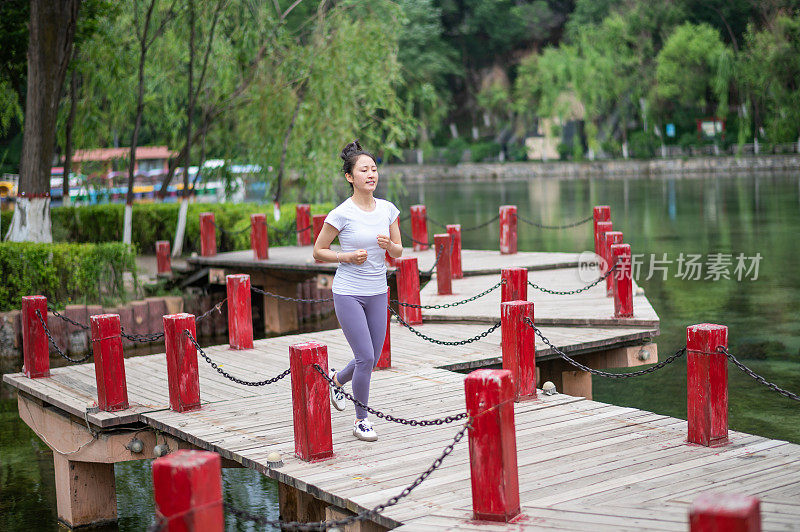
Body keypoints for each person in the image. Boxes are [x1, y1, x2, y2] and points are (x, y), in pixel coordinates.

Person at [313, 140, 403, 442]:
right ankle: (361, 419)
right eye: (363, 170)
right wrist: (347, 257)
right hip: (348, 292)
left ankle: (336, 380)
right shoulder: (341, 213)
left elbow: (399, 251)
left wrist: (389, 246)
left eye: (374, 169)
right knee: (364, 356)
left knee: (371, 357)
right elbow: (318, 251)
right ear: (350, 177)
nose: (371, 174)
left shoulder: (388, 210)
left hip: (378, 291)